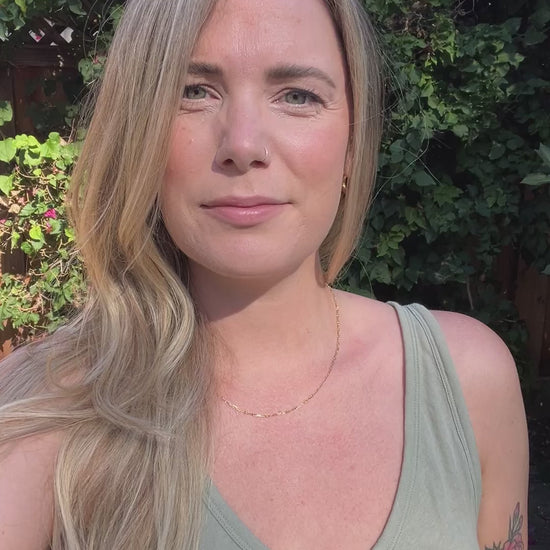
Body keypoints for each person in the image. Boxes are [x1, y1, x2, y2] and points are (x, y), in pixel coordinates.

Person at [0, 0, 529, 548]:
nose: (243, 146)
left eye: (297, 95)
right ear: (140, 130)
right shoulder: (41, 414)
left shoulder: (467, 380)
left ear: (353, 144)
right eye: (193, 91)